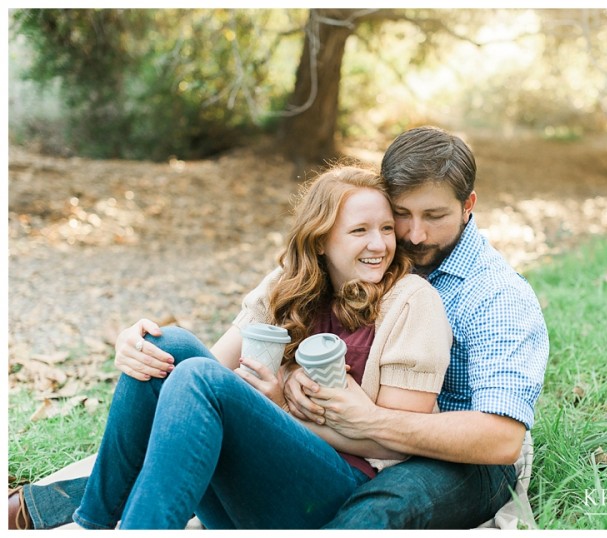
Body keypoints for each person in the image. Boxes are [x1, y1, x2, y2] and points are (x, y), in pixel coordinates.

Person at [8, 164, 452, 529]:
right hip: (253, 488)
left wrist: (282, 409)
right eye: (360, 230)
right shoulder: (288, 286)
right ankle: (95, 521)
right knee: (167, 344)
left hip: (334, 497)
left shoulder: (411, 301)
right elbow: (205, 367)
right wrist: (134, 346)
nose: (379, 244)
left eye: (386, 229)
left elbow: (397, 444)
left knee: (198, 377)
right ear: (320, 239)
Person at [282, 126, 549, 529]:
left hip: (467, 460)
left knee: (378, 510)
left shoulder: (497, 295)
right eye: (401, 214)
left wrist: (370, 420)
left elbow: (501, 438)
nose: (415, 234)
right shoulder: (376, 255)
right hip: (361, 447)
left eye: (434, 216)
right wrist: (290, 372)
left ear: (468, 205)